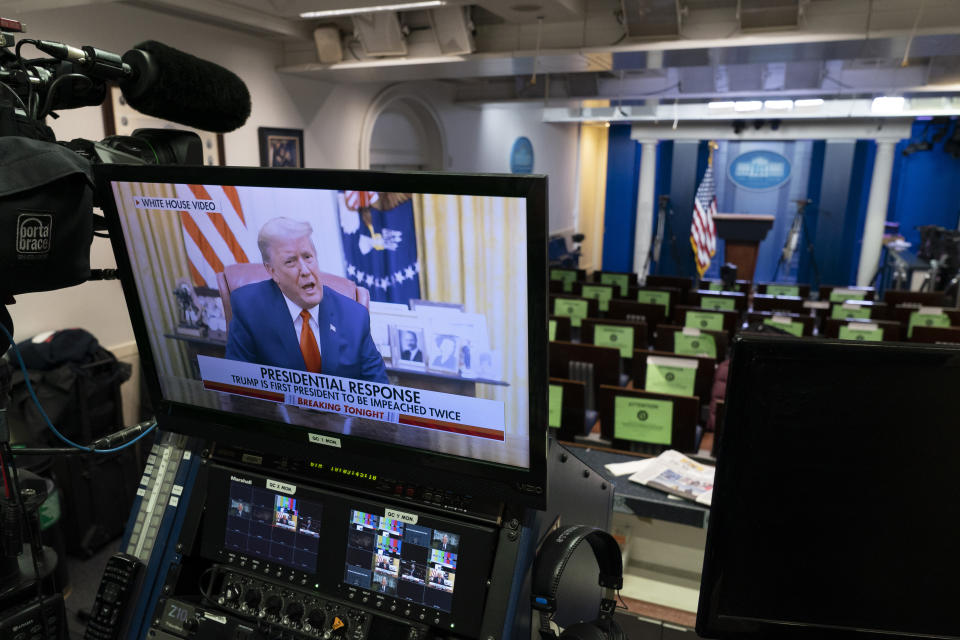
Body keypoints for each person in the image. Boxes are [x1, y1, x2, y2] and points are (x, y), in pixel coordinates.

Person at [225, 217, 388, 383]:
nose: (305, 270)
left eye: (308, 257)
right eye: (290, 261)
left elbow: (380, 390)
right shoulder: (249, 308)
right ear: (272, 271)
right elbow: (238, 386)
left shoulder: (354, 315)